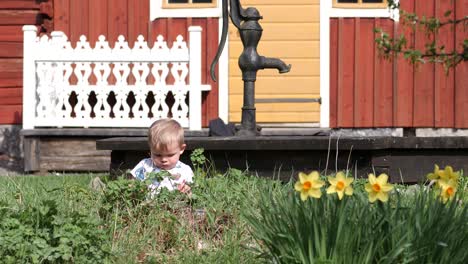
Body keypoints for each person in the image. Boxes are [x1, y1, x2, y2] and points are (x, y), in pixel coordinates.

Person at [131, 118, 193, 195]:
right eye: (158, 155)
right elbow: (133, 184)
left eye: (170, 155)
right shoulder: (145, 165)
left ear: (181, 149)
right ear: (151, 149)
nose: (163, 159)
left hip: (175, 205)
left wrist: (187, 190)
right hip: (148, 204)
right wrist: (136, 189)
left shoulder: (185, 170)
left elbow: (190, 191)